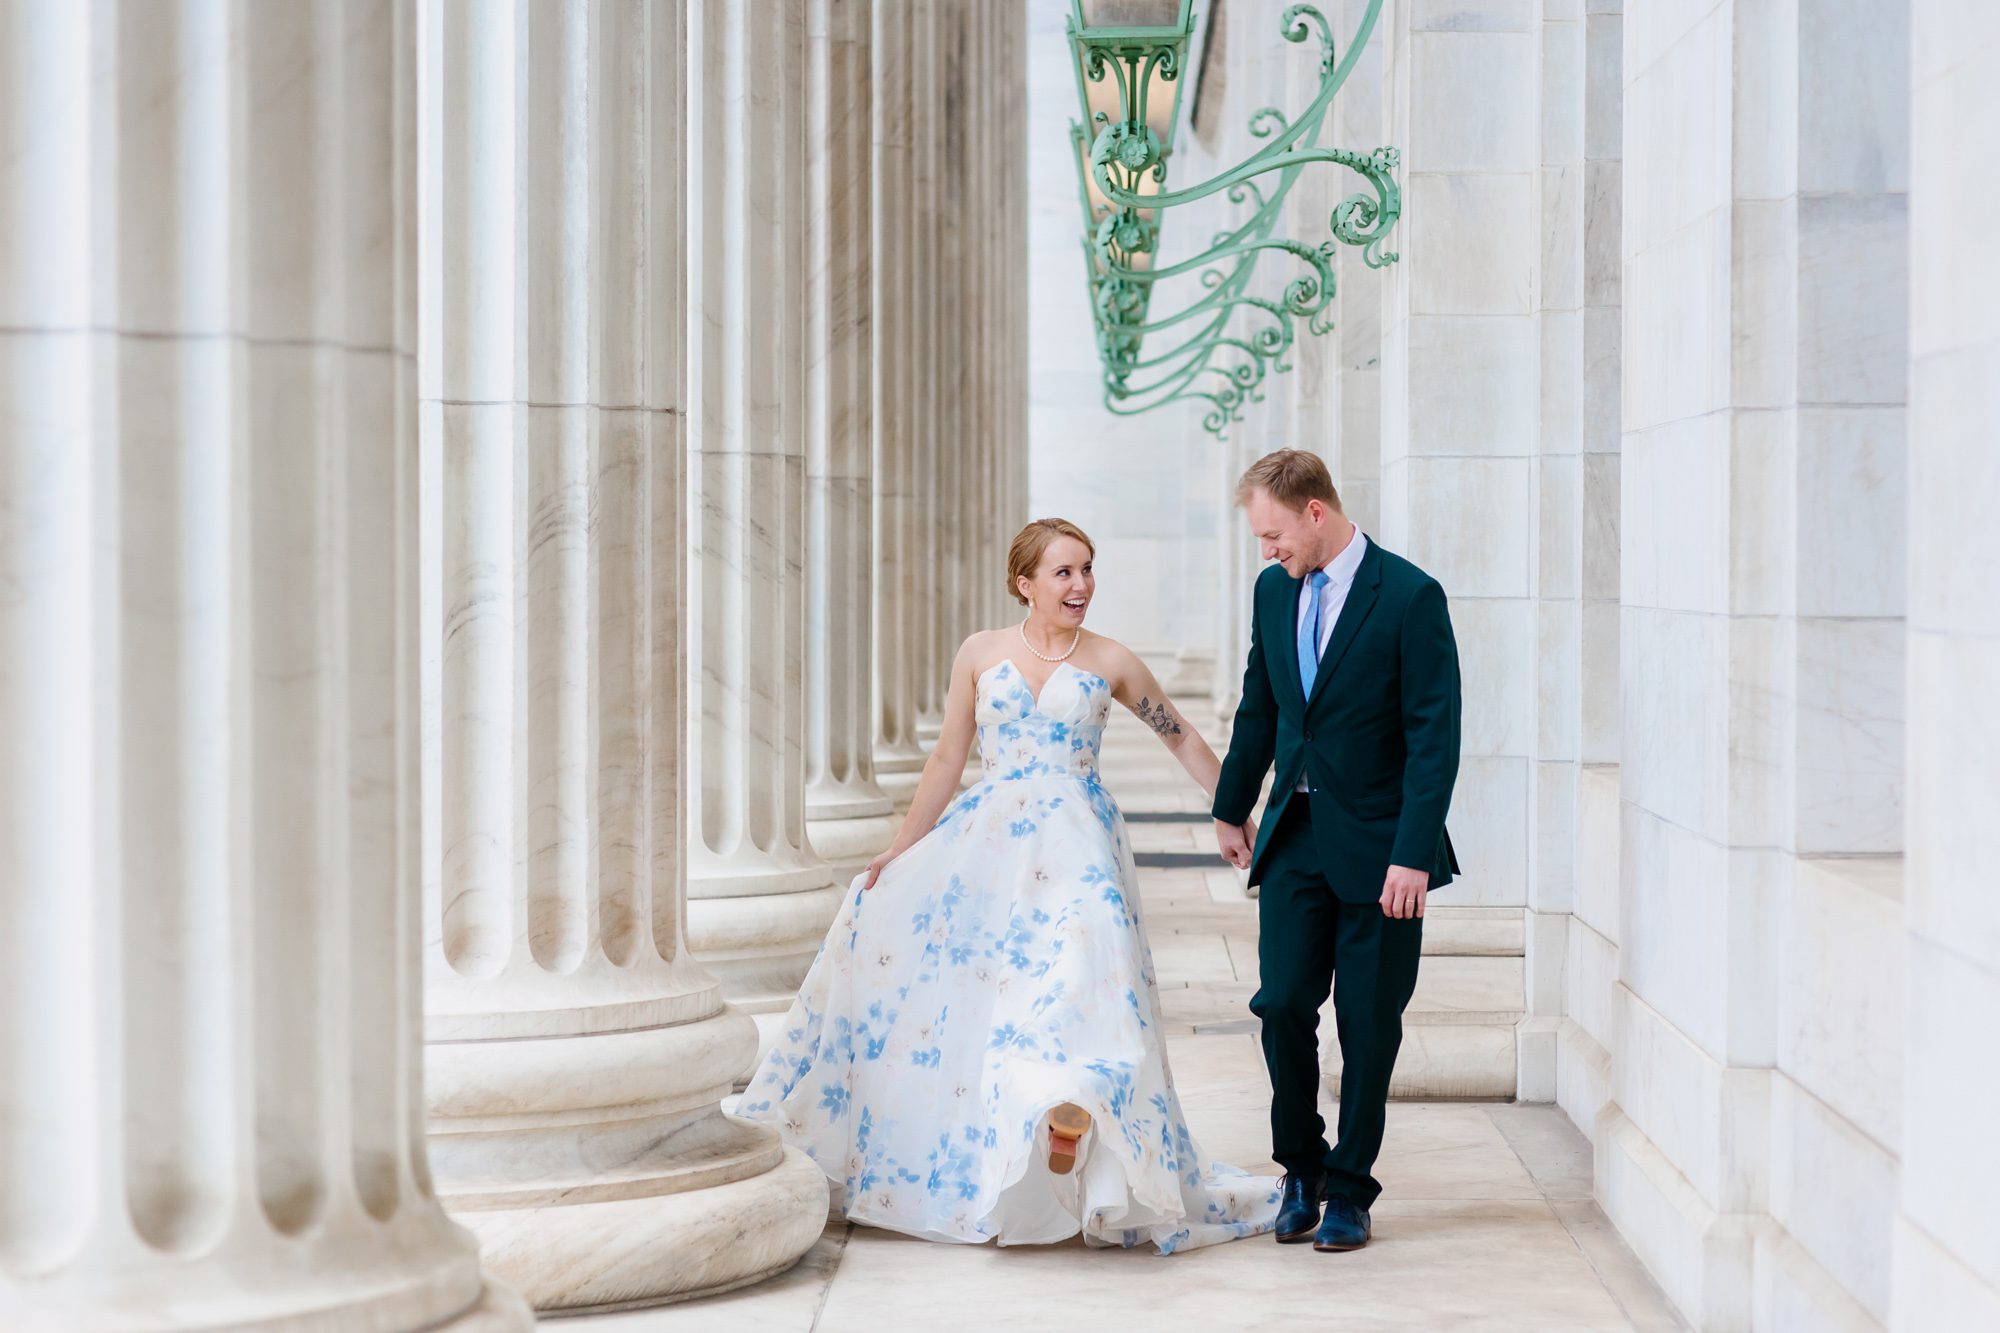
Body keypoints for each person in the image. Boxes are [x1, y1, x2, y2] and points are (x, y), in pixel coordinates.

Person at [737, 518, 1279, 1253]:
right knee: (995, 994)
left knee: (1085, 973)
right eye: (1063, 572)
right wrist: (900, 850)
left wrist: (1235, 814)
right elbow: (945, 760)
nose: (1082, 584)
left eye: (1087, 568)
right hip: (989, 846)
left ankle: (1073, 1103)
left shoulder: (1112, 660)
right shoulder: (980, 653)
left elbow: (1178, 733)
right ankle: (1014, 1140)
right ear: (1024, 582)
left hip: (1080, 843)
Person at [1211, 450, 1462, 1254]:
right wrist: (1231, 804)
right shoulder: (1271, 591)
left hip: (1385, 851)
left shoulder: (1411, 596)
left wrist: (1414, 853)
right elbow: (1261, 701)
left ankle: (1351, 1187)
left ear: (1315, 512)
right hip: (1296, 839)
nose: (1267, 551)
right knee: (1282, 1003)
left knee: (1367, 1022)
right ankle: (1302, 1167)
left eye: (1274, 533)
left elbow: (1434, 737)